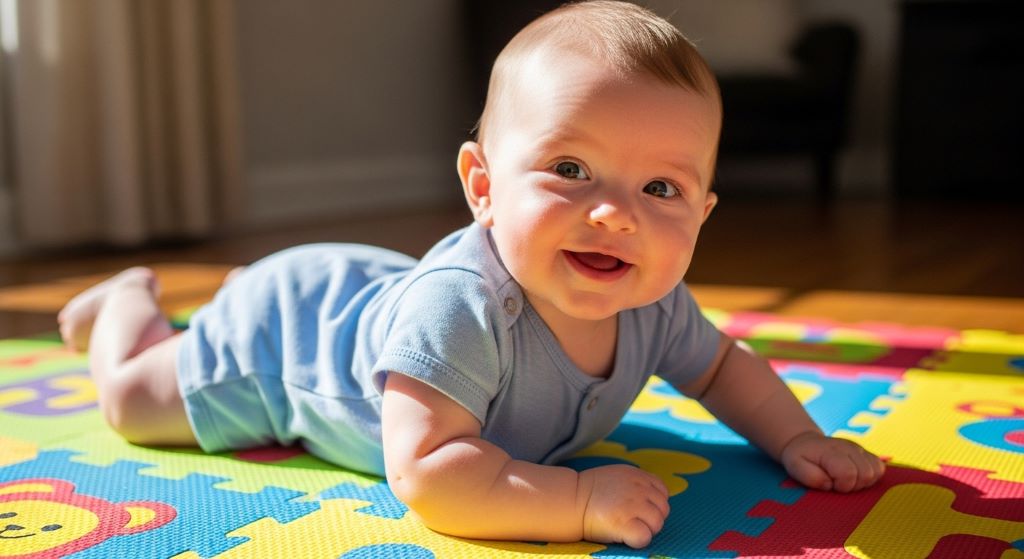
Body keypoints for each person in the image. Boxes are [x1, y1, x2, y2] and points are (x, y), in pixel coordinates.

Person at [57, 0, 885, 549]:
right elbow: (426, 475)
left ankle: (230, 286)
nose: (615, 214)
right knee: (133, 400)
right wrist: (576, 502)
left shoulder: (655, 298)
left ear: (703, 212)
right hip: (288, 339)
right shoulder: (465, 309)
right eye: (570, 168)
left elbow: (723, 369)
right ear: (482, 187)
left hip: (370, 287)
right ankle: (128, 300)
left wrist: (796, 436)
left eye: (660, 187)